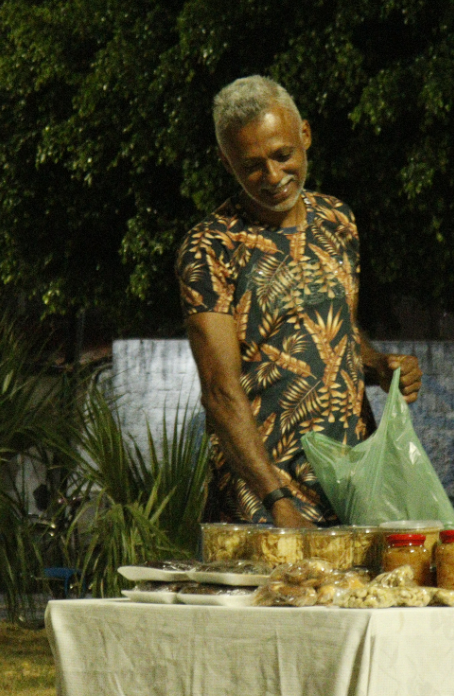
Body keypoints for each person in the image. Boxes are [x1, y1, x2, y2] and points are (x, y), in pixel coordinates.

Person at [175, 75, 422, 528]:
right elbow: (220, 391)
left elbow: (337, 331)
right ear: (226, 162)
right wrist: (277, 502)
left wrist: (380, 366)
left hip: (351, 487)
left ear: (305, 135)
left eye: (282, 155)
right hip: (262, 503)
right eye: (252, 166)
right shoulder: (211, 246)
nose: (273, 177)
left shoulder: (337, 220)